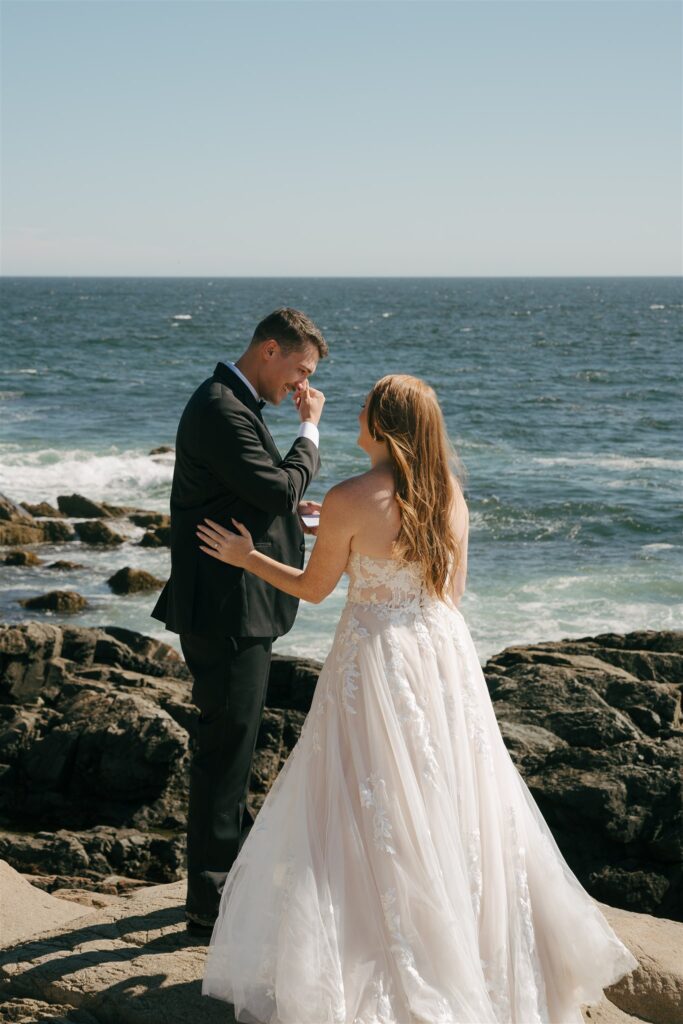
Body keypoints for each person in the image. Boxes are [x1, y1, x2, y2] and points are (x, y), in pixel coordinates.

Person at [197, 374, 637, 1023]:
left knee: (363, 798)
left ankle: (374, 954)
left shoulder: (349, 496)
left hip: (374, 660)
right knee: (452, 793)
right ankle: (476, 954)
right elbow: (448, 592)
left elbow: (313, 588)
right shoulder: (447, 495)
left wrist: (245, 556)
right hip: (441, 655)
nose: (356, 414)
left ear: (382, 425)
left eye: (366, 408)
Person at [151, 307, 327, 934]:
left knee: (232, 743)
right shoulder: (224, 408)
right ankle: (210, 901)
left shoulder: (234, 404)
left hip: (233, 607)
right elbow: (274, 488)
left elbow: (257, 496)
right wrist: (310, 432)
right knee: (226, 751)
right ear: (271, 350)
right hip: (227, 611)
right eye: (300, 370)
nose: (301, 386)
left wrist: (290, 517)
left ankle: (218, 890)